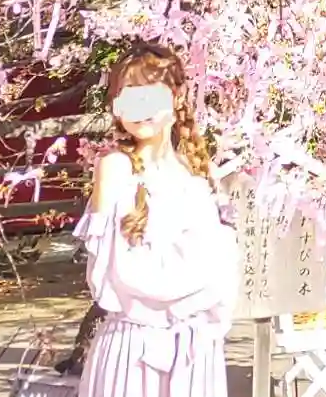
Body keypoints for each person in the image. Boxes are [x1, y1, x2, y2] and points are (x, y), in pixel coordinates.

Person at [76, 41, 238, 397]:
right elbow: (118, 274)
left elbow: (225, 268)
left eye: (150, 92)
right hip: (133, 349)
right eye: (129, 94)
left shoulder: (200, 172)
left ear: (177, 97)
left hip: (196, 350)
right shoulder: (115, 167)